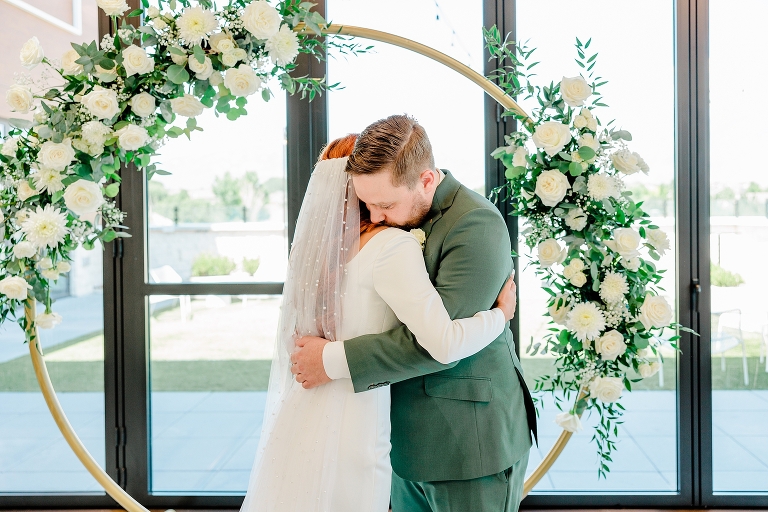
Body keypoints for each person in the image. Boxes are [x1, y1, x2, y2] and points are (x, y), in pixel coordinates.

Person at [239, 132, 517, 512]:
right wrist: (502, 315)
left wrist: (330, 359)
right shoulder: (366, 240)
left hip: (462, 440)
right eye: (366, 203)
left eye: (384, 204)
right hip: (392, 434)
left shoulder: (474, 223)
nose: (375, 216)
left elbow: (441, 342)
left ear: (426, 180)